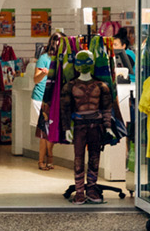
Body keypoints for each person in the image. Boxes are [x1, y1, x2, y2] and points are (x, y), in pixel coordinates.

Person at [61, 49, 114, 204]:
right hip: (79, 126)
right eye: (81, 62)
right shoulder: (69, 86)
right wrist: (66, 128)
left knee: (94, 158)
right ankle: (79, 191)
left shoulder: (101, 86)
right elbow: (65, 109)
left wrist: (108, 126)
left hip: (96, 126)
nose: (83, 65)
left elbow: (107, 108)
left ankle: (91, 189)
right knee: (78, 158)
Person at [31, 38, 59, 171]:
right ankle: (43, 160)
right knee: (44, 131)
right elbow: (36, 79)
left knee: (51, 130)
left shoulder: (61, 58)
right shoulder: (44, 58)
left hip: (54, 98)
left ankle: (48, 157)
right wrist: (43, 73)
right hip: (41, 98)